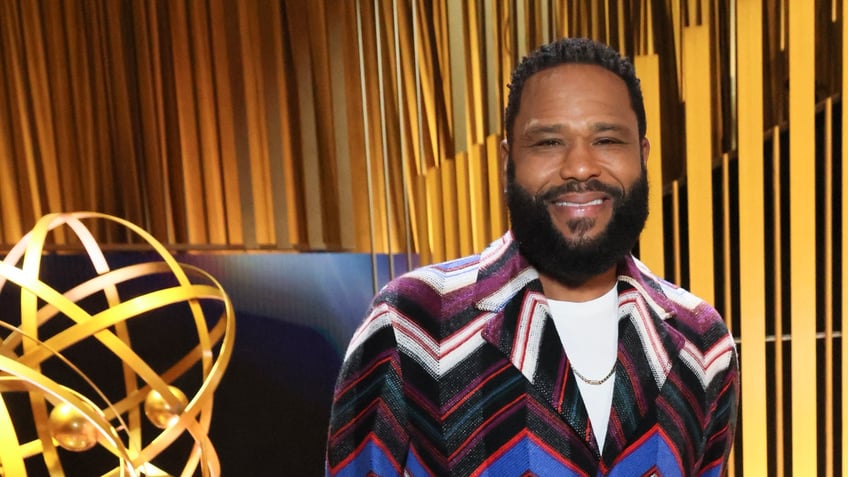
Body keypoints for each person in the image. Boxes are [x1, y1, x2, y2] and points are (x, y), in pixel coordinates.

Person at [325, 37, 738, 476]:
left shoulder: (703, 343)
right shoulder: (412, 323)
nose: (580, 167)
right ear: (508, 162)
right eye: (548, 143)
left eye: (607, 139)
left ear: (642, 155)